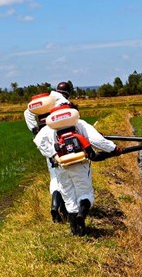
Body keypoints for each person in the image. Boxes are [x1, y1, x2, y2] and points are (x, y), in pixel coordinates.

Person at [34, 104, 122, 236]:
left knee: (68, 196)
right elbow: (97, 140)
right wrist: (114, 149)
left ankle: (75, 231)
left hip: (61, 166)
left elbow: (39, 141)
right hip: (80, 164)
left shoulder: (49, 128)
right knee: (85, 193)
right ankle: (81, 215)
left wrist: (53, 155)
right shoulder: (79, 123)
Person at [23, 82, 73, 223]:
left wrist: (35, 129)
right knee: (66, 174)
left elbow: (27, 112)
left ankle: (55, 206)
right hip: (60, 138)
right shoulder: (64, 102)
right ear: (68, 92)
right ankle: (63, 209)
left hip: (45, 140)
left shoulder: (45, 100)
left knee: (54, 174)